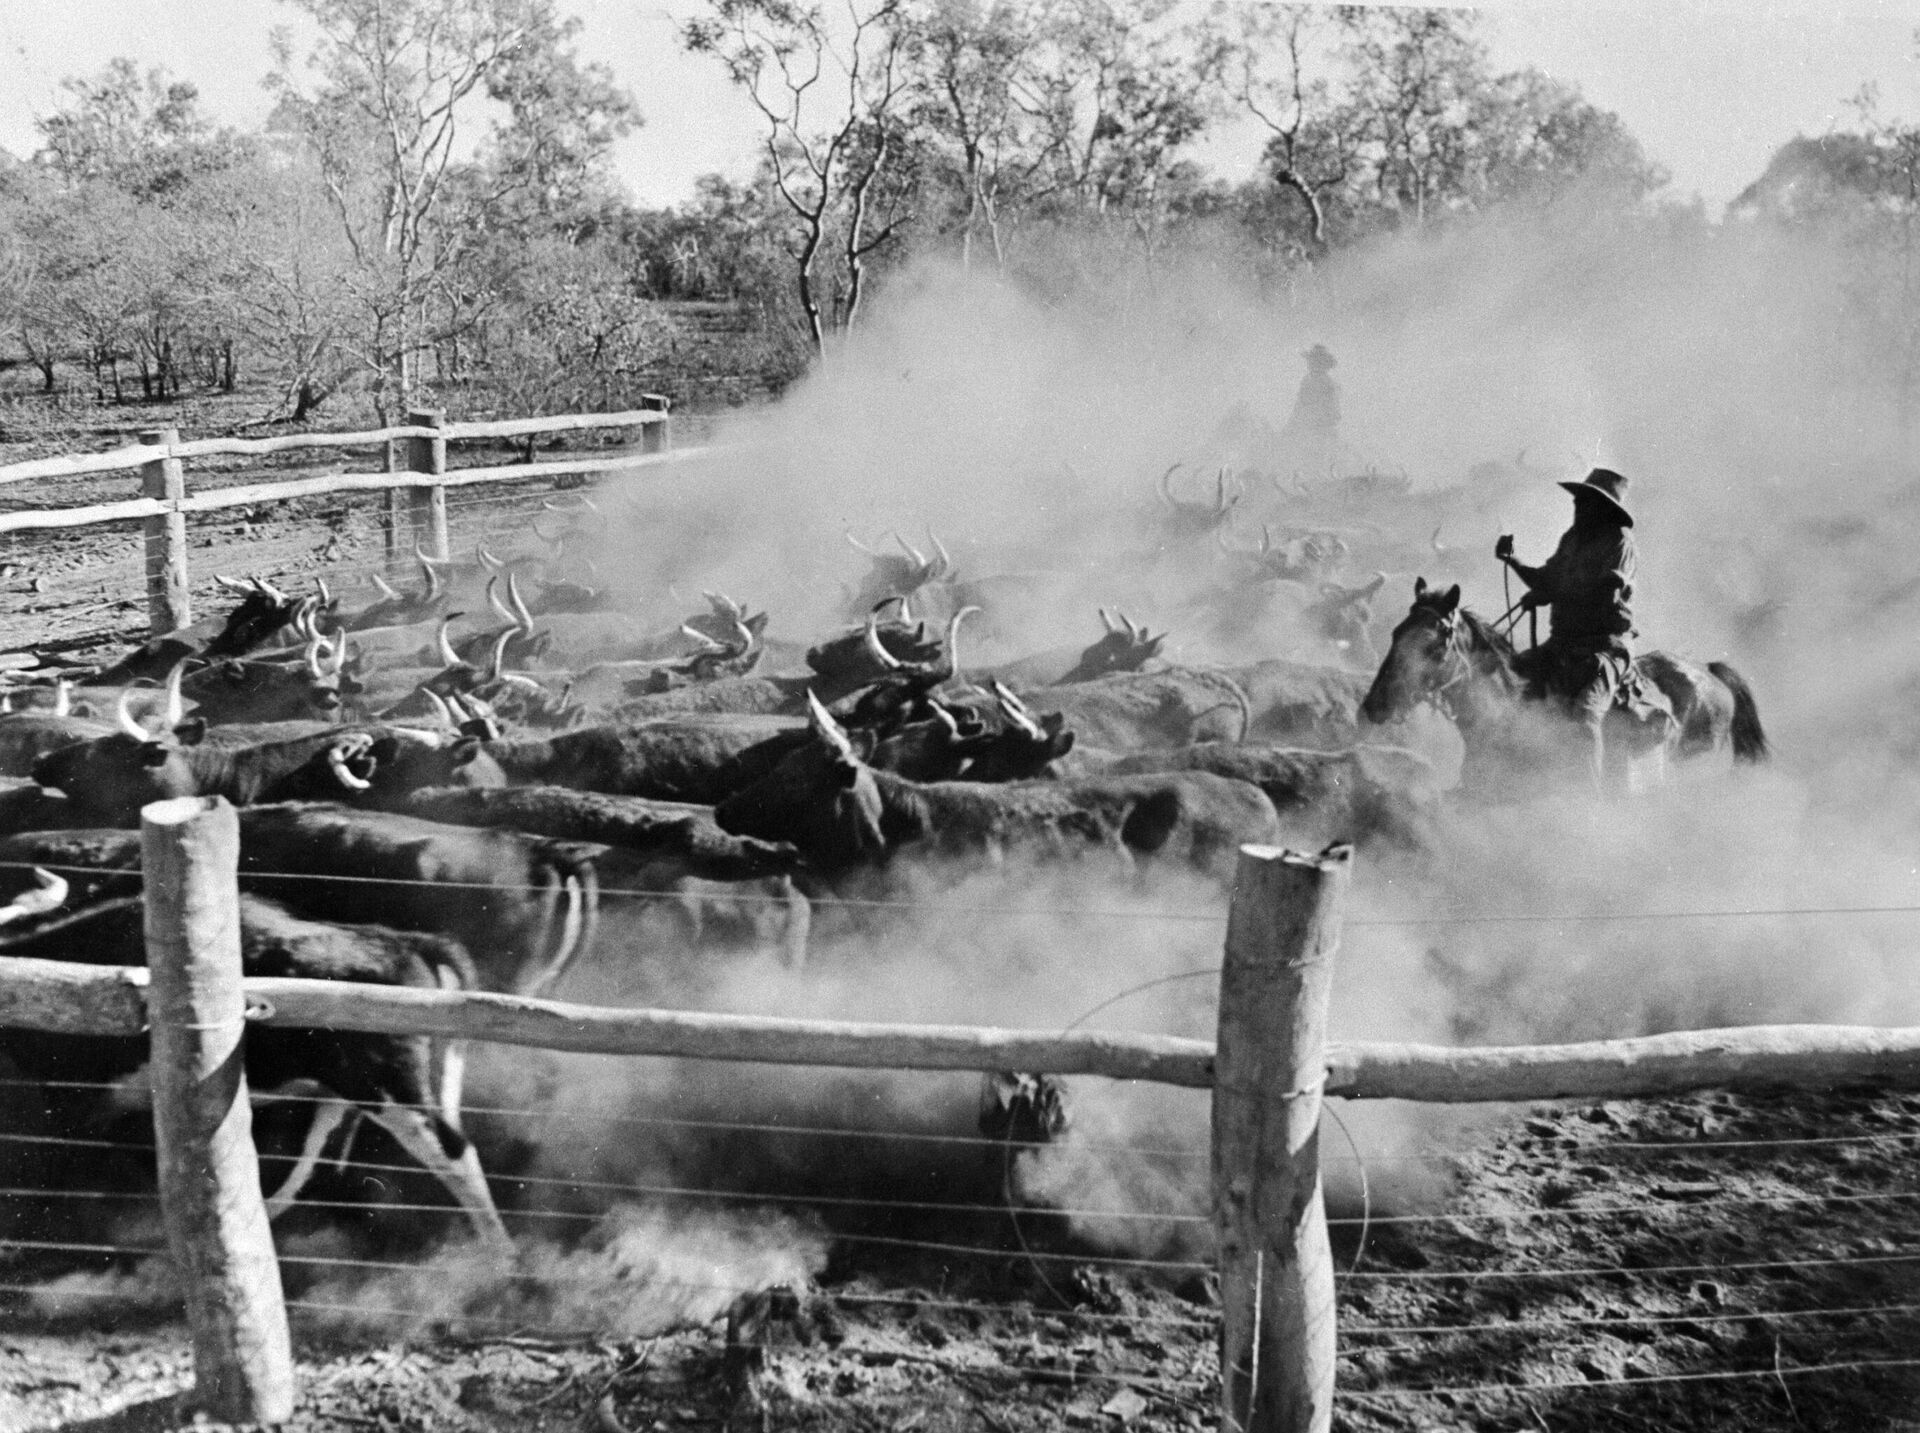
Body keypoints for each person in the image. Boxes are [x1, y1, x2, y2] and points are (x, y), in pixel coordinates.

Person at [1495, 468, 1638, 785]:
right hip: (1562, 644)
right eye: (1578, 500)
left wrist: (1549, 592)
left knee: (1584, 715)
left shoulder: (1619, 542)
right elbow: (1546, 580)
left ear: (1603, 509)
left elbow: (1605, 593)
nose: (1578, 506)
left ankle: (1590, 805)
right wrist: (1513, 560)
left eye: (1586, 501)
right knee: (1506, 682)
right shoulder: (1571, 540)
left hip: (1604, 648)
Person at [1282, 344, 1341, 451]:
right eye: (1311, 361)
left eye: (1316, 361)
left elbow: (1333, 410)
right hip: (1303, 424)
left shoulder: (1328, 383)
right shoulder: (1306, 380)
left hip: (1321, 428)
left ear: (1324, 364)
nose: (1311, 364)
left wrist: (1321, 422)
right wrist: (1292, 425)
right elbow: (1300, 403)